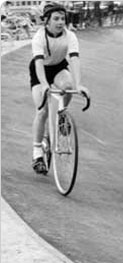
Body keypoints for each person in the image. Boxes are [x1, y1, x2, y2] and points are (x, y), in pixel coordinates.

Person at [29, 3, 88, 174]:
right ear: (46, 21)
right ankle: (37, 152)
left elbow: (74, 59)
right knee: (42, 111)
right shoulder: (39, 38)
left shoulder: (70, 36)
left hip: (58, 67)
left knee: (68, 86)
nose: (60, 22)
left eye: (63, 18)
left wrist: (79, 84)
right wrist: (45, 85)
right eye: (56, 19)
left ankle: (62, 114)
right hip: (40, 70)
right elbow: (39, 64)